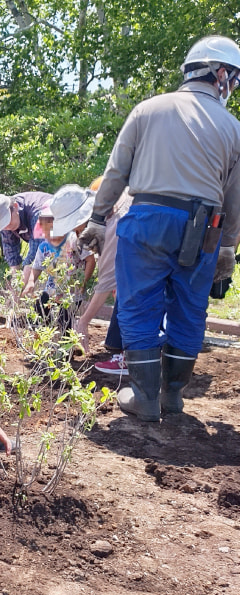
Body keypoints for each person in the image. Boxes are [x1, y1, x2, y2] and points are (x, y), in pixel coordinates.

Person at [78, 36, 240, 421]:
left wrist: (99, 220)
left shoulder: (147, 110)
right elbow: (235, 197)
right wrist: (228, 247)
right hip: (205, 226)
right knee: (190, 307)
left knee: (137, 305)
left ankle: (145, 399)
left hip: (148, 217)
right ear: (219, 73)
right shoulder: (234, 128)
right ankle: (173, 397)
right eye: (233, 78)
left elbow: (116, 172)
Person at [72, 177, 132, 367]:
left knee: (137, 297)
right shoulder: (125, 199)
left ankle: (131, 359)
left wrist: (83, 322)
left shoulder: (115, 223)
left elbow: (105, 281)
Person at [22, 196, 95, 334]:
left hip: (71, 291)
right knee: (40, 310)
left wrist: (83, 282)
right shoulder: (44, 246)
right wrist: (31, 281)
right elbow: (37, 267)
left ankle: (69, 349)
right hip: (52, 289)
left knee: (64, 320)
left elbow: (90, 260)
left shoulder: (74, 241)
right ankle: (46, 340)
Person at [0, 191, 52, 287]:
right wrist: (15, 286)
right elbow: (11, 252)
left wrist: (20, 289)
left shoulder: (38, 213)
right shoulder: (7, 222)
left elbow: (35, 253)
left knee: (51, 285)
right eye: (2, 224)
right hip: (49, 245)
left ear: (15, 207)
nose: (6, 227)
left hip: (66, 241)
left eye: (7, 221)